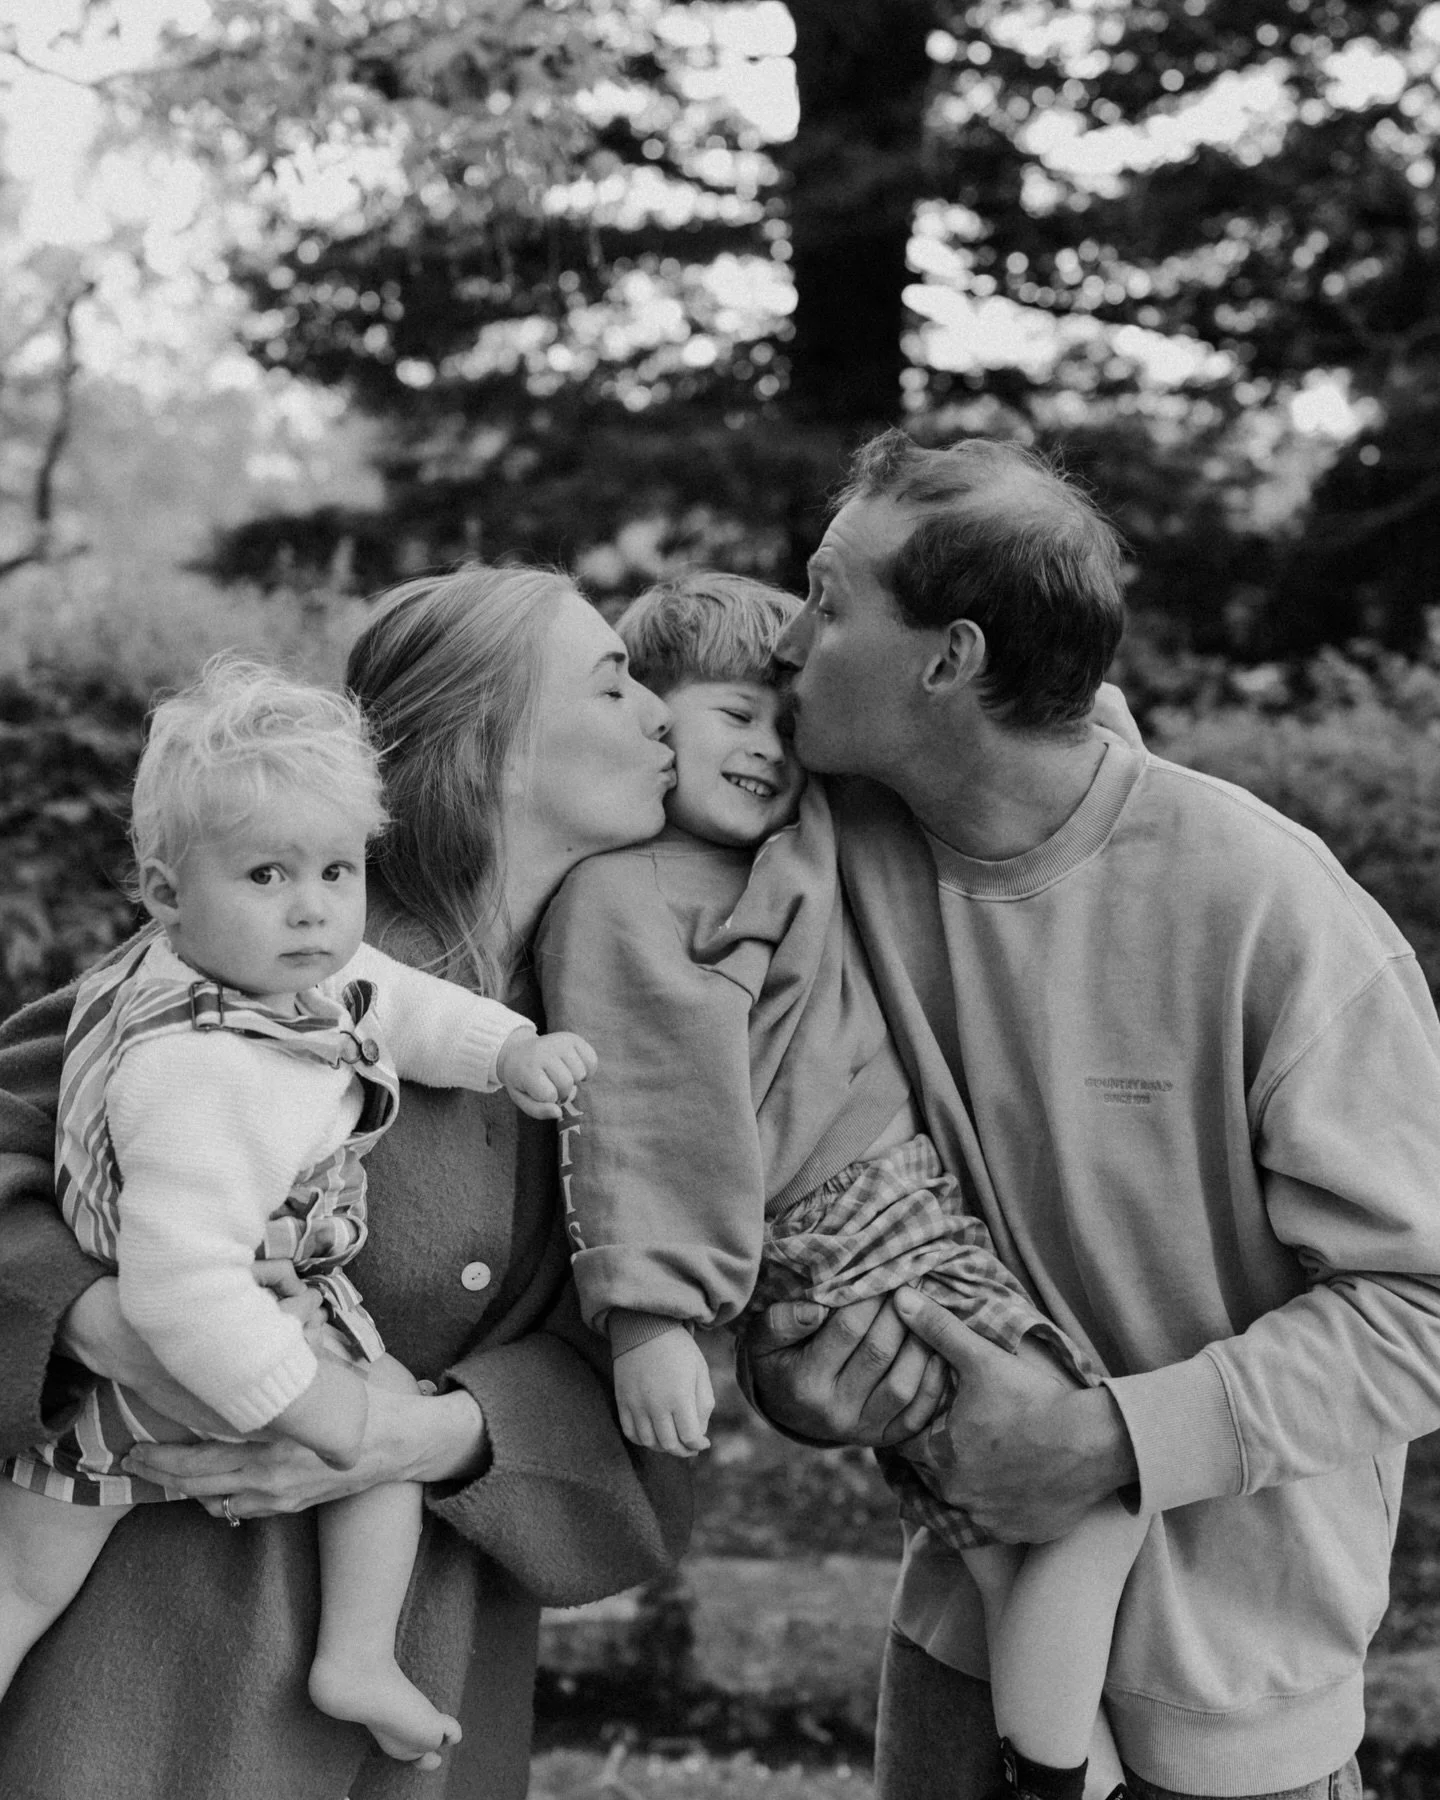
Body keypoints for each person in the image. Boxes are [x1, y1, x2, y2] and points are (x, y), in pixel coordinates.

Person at [746, 429, 1440, 1800]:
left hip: (1234, 1701)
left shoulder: (1266, 905)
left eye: (828, 599)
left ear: (949, 659)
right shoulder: (828, 852)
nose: (787, 640)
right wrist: (798, 1372)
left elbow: (1423, 1307)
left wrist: (1113, 1443)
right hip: (959, 1660)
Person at [0, 566, 690, 1800]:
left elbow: (650, 1374)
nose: (662, 714)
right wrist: (98, 1317)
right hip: (160, 1651)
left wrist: (423, 1435)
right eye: (614, 681)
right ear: (490, 743)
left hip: (420, 1662)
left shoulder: (605, 1027)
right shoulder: (257, 966)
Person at [536, 571, 1144, 1800]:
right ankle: (1060, 1778)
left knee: (1003, 1540)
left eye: (782, 721)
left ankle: (1076, 1766)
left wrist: (1093, 729)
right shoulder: (626, 892)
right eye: (729, 717)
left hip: (886, 1244)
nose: (767, 747)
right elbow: (646, 1111)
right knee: (1103, 1495)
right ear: (653, 723)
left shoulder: (806, 838)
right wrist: (656, 1318)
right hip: (861, 1249)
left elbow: (973, 773)